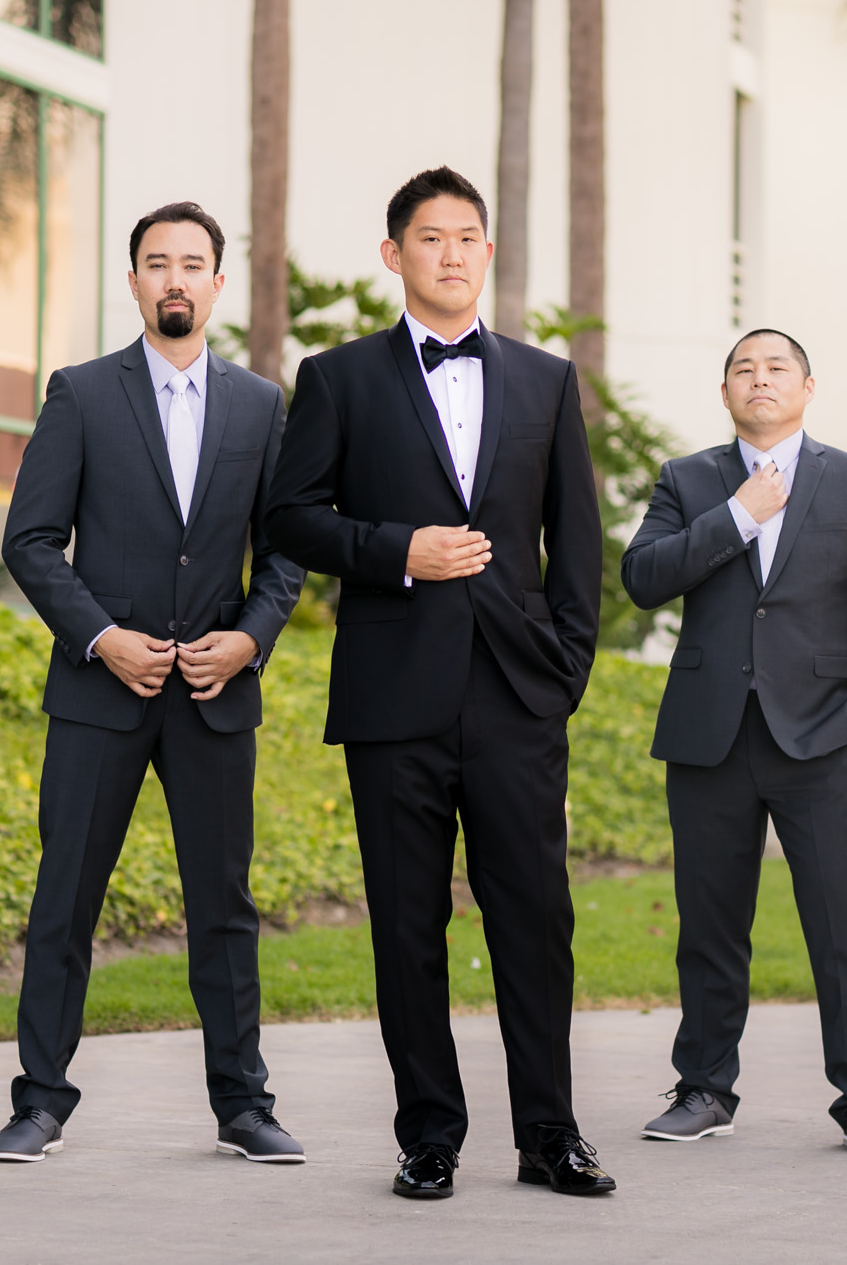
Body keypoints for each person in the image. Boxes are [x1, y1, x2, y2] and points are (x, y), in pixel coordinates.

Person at [263, 167, 610, 1199]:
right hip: (392, 699)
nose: (450, 253)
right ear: (393, 255)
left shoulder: (545, 382)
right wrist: (397, 548)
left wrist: (564, 675)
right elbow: (287, 518)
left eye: (467, 237)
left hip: (515, 696)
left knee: (535, 921)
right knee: (405, 923)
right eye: (429, 237)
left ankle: (549, 1134)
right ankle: (428, 1136)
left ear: (486, 253)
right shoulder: (338, 379)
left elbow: (576, 543)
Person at [0, 202, 306, 1166]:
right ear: (132, 283)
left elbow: (284, 551)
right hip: (99, 692)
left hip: (214, 696)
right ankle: (39, 1099)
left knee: (224, 906)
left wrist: (247, 641)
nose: (174, 278)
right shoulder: (80, 394)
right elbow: (29, 541)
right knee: (66, 900)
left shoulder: (261, 405)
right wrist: (101, 637)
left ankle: (243, 1104)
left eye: (192, 264)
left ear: (217, 284)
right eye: (156, 263)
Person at [620, 329, 847, 1154]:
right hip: (709, 736)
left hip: (824, 739)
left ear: (809, 387)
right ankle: (705, 1086)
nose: (760, 379)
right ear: (724, 394)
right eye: (743, 369)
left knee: (842, 923)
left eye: (776, 366)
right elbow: (643, 578)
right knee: (709, 923)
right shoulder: (688, 481)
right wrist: (737, 516)